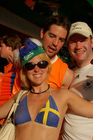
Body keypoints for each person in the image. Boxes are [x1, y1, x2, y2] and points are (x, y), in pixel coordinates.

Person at [1, 38, 93, 140]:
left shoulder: (63, 95)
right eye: (30, 66)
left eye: (42, 64)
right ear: (25, 72)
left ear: (48, 67)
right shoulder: (19, 97)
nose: (37, 69)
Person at [62, 22, 93, 140]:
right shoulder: (69, 73)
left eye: (83, 40)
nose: (78, 46)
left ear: (91, 42)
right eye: (73, 41)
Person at [40, 15, 74, 88]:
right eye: (52, 36)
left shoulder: (66, 75)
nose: (55, 43)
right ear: (42, 33)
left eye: (61, 40)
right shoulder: (22, 54)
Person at [0, 35, 22, 106]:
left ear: (9, 48)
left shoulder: (22, 62)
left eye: (1, 46)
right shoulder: (9, 67)